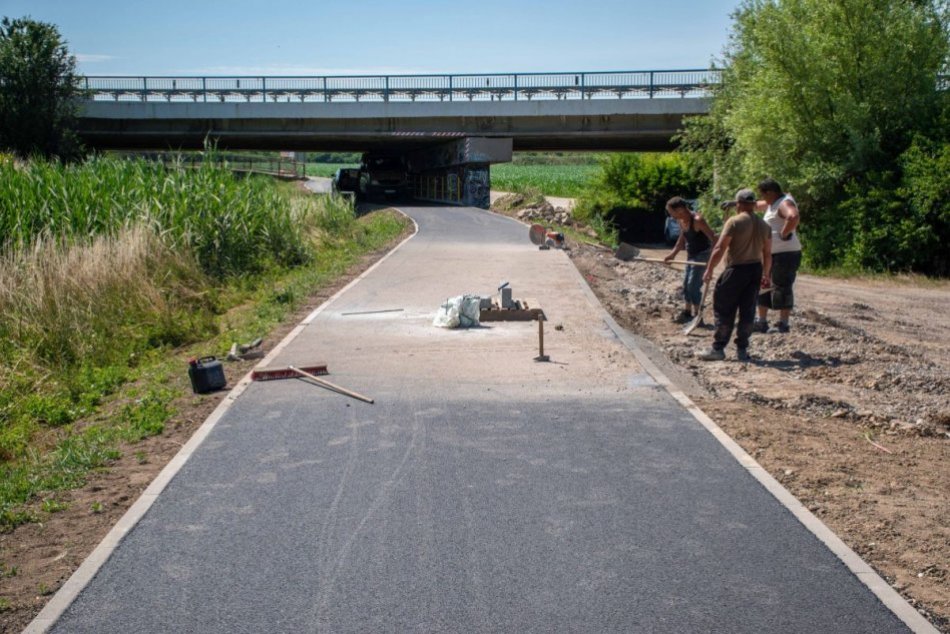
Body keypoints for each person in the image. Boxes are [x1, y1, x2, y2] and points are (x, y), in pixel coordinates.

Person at [698, 189, 772, 361]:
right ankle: (742, 350)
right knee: (748, 310)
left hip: (736, 269)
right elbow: (768, 253)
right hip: (755, 270)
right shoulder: (765, 226)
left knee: (724, 308)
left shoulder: (734, 222)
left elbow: (720, 247)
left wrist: (709, 269)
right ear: (754, 204)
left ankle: (718, 348)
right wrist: (766, 275)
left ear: (738, 204)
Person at [752, 178, 802, 334]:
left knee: (782, 286)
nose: (762, 198)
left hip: (785, 254)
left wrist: (784, 233)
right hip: (771, 254)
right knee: (764, 284)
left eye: (763, 194)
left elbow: (793, 216)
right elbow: (757, 205)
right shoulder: (773, 202)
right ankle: (761, 321)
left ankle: (783, 324)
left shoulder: (784, 203)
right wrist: (736, 203)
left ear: (770, 192)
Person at [663, 197, 717, 323]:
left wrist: (711, 261)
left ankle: (698, 316)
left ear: (680, 210)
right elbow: (681, 240)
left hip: (702, 255)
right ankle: (687, 312)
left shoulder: (697, 220)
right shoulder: (681, 220)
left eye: (671, 212)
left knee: (693, 285)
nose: (670, 215)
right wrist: (672, 255)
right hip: (691, 255)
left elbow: (714, 239)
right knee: (686, 285)